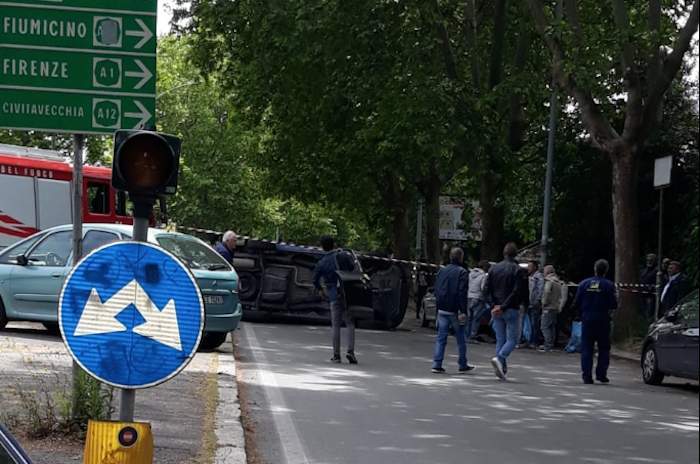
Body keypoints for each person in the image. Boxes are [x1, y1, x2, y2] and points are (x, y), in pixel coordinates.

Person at [485, 242, 529, 380]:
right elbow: (518, 291)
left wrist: (494, 305)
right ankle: (500, 359)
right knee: (512, 339)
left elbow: (486, 289)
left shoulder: (494, 269)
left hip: (496, 308)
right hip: (510, 308)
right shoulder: (518, 270)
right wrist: (506, 306)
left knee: (500, 339)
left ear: (504, 253)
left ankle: (501, 368)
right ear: (515, 254)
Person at [313, 235, 358, 364]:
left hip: (333, 295)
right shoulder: (343, 256)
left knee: (336, 325)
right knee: (350, 322)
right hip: (347, 293)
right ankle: (350, 351)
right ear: (334, 244)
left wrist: (321, 290)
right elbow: (352, 269)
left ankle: (336, 355)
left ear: (322, 247)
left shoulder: (322, 262)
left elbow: (315, 279)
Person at [574, 259, 617, 384]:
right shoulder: (609, 285)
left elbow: (576, 302)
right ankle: (601, 374)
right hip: (603, 320)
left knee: (587, 348)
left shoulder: (584, 284)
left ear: (595, 269)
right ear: (606, 270)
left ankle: (587, 376)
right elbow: (614, 304)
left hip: (587, 319)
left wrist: (580, 313)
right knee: (604, 348)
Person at [431, 247, 473, 374]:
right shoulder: (462, 272)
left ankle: (437, 364)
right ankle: (462, 363)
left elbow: (437, 288)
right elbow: (461, 292)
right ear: (461, 257)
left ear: (450, 257)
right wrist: (463, 310)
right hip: (455, 309)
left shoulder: (442, 271)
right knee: (460, 337)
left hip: (442, 308)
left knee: (441, 338)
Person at [539, 265, 566, 352]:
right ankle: (551, 344)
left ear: (547, 272)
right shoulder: (558, 281)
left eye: (544, 271)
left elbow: (546, 292)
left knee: (544, 327)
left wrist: (543, 303)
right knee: (552, 327)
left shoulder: (549, 281)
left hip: (548, 307)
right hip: (555, 307)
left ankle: (547, 345)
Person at [467, 260, 491, 342]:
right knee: (476, 318)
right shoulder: (483, 275)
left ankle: (466, 335)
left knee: (469, 317)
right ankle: (472, 336)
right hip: (478, 297)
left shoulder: (471, 274)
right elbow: (483, 287)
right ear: (484, 267)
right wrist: (486, 297)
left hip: (469, 296)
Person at [525, 260, 544, 348]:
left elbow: (540, 290)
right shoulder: (529, 276)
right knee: (529, 323)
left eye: (530, 266)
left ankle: (534, 341)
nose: (528, 268)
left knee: (534, 323)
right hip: (529, 303)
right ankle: (529, 340)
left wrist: (537, 301)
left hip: (534, 303)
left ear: (535, 267)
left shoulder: (538, 277)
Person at [639, 253, 658, 319]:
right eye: (648, 260)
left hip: (651, 296)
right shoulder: (643, 270)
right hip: (642, 295)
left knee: (649, 314)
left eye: (651, 260)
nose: (649, 261)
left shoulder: (657, 271)